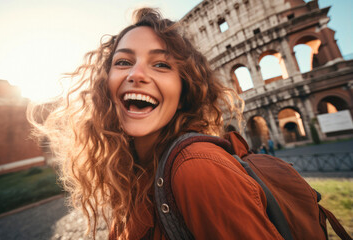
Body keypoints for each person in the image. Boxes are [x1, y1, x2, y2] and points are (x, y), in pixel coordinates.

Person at [29, 8, 284, 240]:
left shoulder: (197, 167)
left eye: (161, 64)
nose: (136, 74)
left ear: (185, 91)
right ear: (105, 84)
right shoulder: (136, 172)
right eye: (123, 62)